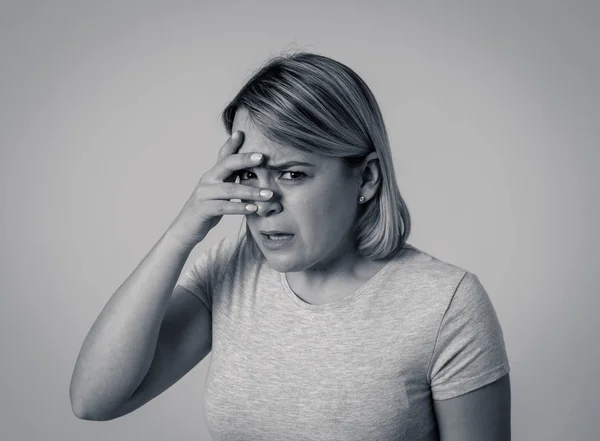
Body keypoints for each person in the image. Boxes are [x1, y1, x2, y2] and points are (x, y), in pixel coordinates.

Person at [70, 52, 511, 440]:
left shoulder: (446, 304)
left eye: (292, 173)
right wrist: (183, 231)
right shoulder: (232, 270)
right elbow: (94, 400)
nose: (263, 203)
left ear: (367, 177)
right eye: (247, 175)